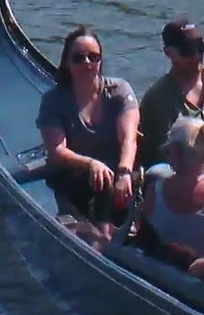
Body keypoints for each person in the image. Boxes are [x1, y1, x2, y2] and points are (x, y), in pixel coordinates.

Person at [36, 25, 140, 241]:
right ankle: (103, 237)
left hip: (118, 171)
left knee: (155, 179)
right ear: (67, 62)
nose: (87, 63)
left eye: (94, 57)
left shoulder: (119, 91)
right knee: (103, 179)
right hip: (75, 174)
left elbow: (128, 139)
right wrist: (91, 163)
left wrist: (124, 173)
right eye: (79, 58)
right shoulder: (54, 100)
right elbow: (57, 152)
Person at [138, 19, 204, 188]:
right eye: (187, 50)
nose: (197, 55)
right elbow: (152, 156)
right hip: (177, 184)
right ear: (168, 52)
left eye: (201, 46)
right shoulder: (157, 98)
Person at [137, 117, 204, 260]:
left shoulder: (155, 191)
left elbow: (144, 230)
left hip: (165, 266)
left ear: (175, 154)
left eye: (168, 151)